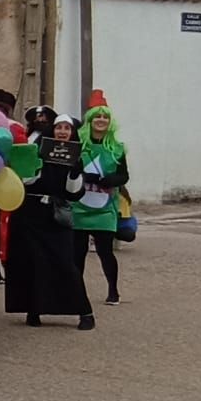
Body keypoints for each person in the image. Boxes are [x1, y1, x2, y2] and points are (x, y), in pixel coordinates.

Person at [5, 108, 94, 330]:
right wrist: (35, 163)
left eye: (66, 128)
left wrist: (74, 172)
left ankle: (84, 311)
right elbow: (24, 181)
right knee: (31, 261)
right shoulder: (36, 149)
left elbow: (73, 193)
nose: (62, 132)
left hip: (55, 215)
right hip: (29, 212)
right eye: (58, 127)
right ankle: (33, 309)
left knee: (64, 262)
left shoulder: (76, 156)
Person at [73, 95, 129, 306]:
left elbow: (124, 176)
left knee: (106, 252)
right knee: (77, 254)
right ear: (90, 119)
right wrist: (85, 176)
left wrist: (109, 180)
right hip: (79, 207)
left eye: (105, 117)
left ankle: (113, 291)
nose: (101, 120)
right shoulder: (78, 145)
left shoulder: (118, 148)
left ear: (110, 122)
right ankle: (77, 292)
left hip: (105, 208)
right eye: (97, 116)